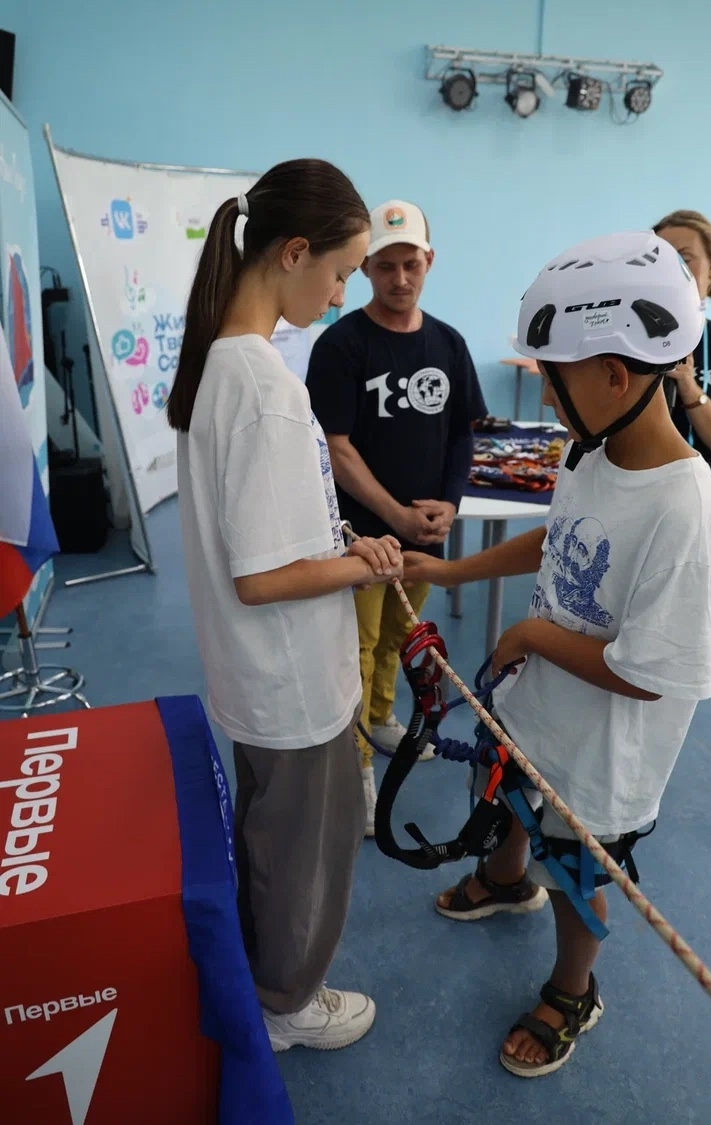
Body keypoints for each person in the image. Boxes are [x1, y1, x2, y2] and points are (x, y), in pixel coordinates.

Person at [403, 230, 711, 1077]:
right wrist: (451, 568)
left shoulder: (682, 504)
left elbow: (652, 674)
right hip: (541, 708)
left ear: (615, 376)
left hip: (603, 754)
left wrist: (530, 634)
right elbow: (559, 539)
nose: (543, 391)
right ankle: (506, 878)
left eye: (554, 375)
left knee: (578, 870)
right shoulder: (592, 450)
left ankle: (572, 987)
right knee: (510, 792)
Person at [167, 159, 405, 1052]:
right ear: (293, 252)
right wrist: (354, 568)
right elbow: (262, 578)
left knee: (272, 837)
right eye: (340, 272)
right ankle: (288, 1002)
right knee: (306, 850)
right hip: (292, 682)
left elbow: (263, 534)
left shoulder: (223, 363)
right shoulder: (264, 385)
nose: (342, 295)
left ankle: (267, 977)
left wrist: (339, 545)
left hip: (257, 675)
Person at [306, 199, 486, 834]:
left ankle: (381, 718)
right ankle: (355, 764)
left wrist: (449, 504)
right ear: (365, 268)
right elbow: (336, 447)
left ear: (429, 261)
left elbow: (462, 434)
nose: (400, 279)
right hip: (358, 534)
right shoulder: (341, 346)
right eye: (385, 266)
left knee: (399, 638)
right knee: (353, 647)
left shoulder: (449, 344)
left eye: (411, 264)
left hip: (423, 536)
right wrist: (394, 517)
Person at [652, 211, 711, 537]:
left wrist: (689, 387)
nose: (672, 271)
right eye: (660, 260)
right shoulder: (624, 342)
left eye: (685, 259)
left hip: (695, 506)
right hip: (630, 496)